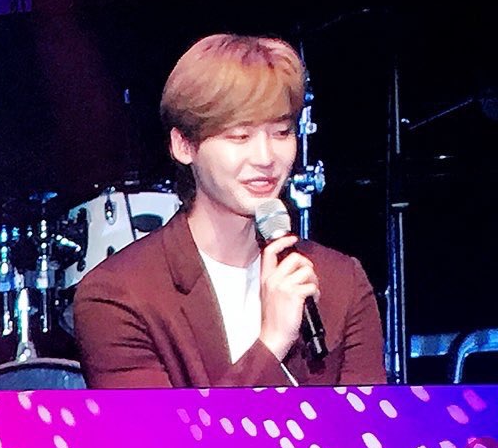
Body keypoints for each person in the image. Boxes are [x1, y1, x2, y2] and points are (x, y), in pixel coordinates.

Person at [73, 35, 385, 388]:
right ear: (184, 145)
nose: (266, 158)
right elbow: (159, 427)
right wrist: (272, 342)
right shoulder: (119, 294)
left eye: (281, 133)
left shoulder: (341, 281)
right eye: (240, 136)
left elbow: (365, 420)